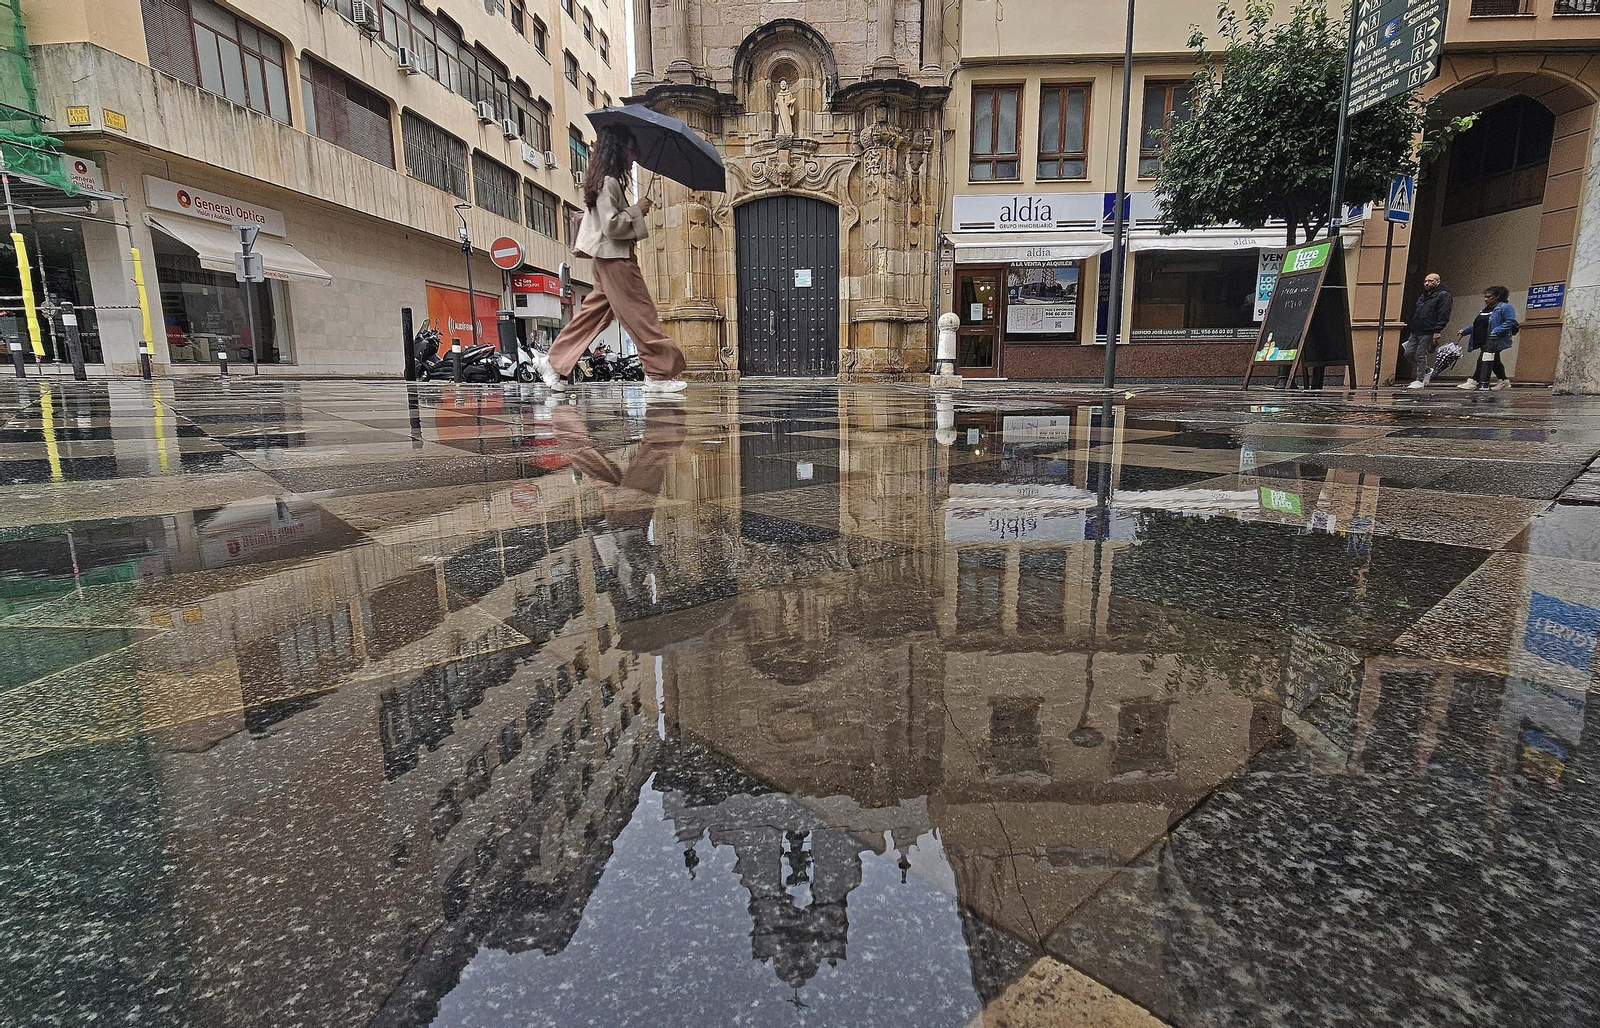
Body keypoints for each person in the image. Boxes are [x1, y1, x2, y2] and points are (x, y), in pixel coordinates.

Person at [534, 124, 687, 394]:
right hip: (616, 259)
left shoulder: (604, 182)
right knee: (641, 313)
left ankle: (553, 362)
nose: (633, 157)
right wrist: (637, 210)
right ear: (618, 150)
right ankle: (658, 373)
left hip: (606, 258)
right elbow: (611, 225)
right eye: (630, 150)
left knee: (594, 315)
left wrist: (634, 211)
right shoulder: (609, 183)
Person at [1456, 285, 1517, 391]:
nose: (1486, 299)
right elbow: (1479, 324)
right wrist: (1466, 330)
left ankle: (1474, 381)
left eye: (1489, 297)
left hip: (1495, 339)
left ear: (1497, 296)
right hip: (1483, 339)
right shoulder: (1485, 309)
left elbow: (1510, 321)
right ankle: (1503, 380)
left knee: (1483, 359)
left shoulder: (1505, 307)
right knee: (1495, 361)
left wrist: (1496, 331)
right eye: (1485, 297)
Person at [1404, 272, 1454, 388]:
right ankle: (1427, 370)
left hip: (1428, 330)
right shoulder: (1423, 296)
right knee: (1408, 353)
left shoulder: (1443, 295)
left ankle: (1420, 380)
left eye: (1431, 281)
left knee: (1420, 354)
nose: (1427, 283)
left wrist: (1437, 330)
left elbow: (1444, 313)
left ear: (1438, 282)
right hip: (1416, 329)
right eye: (1426, 281)